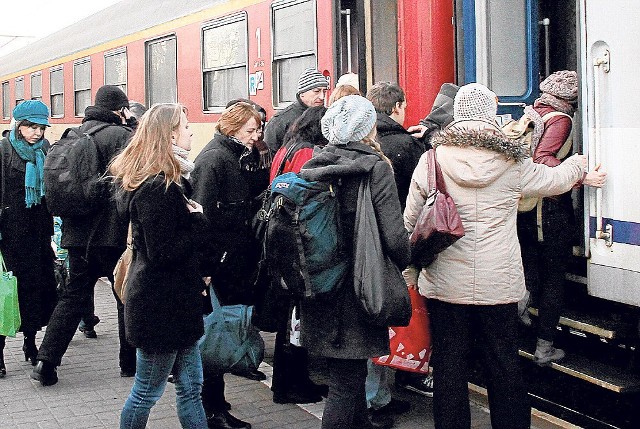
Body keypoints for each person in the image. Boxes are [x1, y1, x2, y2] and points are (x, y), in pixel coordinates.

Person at [403, 83, 587, 429]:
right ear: (491, 115)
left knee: (449, 367)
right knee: (504, 365)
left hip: (444, 285)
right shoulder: (513, 161)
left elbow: (410, 222)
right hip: (497, 284)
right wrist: (579, 165)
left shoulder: (432, 158)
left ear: (458, 114)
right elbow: (554, 180)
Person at [298, 95, 410, 429]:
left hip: (319, 282)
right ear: (367, 128)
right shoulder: (375, 168)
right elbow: (394, 237)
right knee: (346, 383)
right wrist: (413, 254)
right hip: (359, 284)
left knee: (347, 373)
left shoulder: (315, 165)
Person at [109, 103, 208, 429]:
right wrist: (197, 222)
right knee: (146, 391)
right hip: (160, 309)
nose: (191, 130)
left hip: (174, 306)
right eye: (185, 125)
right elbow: (162, 251)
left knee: (192, 388)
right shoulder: (158, 188)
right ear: (169, 135)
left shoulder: (168, 181)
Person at [31, 85, 134, 386]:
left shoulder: (75, 135)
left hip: (77, 235)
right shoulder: (121, 137)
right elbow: (130, 183)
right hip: (112, 234)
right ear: (120, 109)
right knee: (124, 295)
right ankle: (128, 363)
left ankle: (45, 362)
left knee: (73, 297)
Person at [516, 71, 607, 365]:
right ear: (571, 98)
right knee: (555, 278)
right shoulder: (561, 120)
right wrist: (580, 175)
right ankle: (544, 348)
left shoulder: (531, 112)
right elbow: (543, 160)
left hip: (526, 208)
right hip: (550, 210)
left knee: (531, 270)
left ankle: (519, 316)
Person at [191, 102, 265, 429]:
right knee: (215, 332)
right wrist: (209, 264)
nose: (255, 136)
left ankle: (216, 404)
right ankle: (212, 410)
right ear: (233, 128)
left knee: (223, 328)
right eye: (251, 131)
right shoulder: (214, 160)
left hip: (229, 260)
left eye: (258, 130)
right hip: (219, 264)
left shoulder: (231, 156)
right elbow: (203, 216)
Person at [396, 82, 460, 398]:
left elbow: (411, 216)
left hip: (427, 246)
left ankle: (415, 367)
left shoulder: (420, 141)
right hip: (444, 248)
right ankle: (419, 370)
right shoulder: (427, 147)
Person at [267, 105, 330, 405]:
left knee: (288, 318)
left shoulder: (285, 149)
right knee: (294, 318)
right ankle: (290, 385)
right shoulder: (307, 153)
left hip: (278, 236)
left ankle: (290, 382)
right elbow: (306, 196)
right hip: (295, 240)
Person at [0, 101, 57, 377]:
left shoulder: (45, 151)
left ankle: (30, 343)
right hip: (10, 236)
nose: (36, 133)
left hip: (38, 234)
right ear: (18, 126)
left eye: (41, 127)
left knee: (35, 291)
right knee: (7, 294)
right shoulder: (3, 151)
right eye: (31, 127)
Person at [263, 68, 328, 151]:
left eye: (324, 91)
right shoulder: (280, 120)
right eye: (316, 91)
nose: (322, 97)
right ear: (302, 93)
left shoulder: (326, 116)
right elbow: (270, 153)